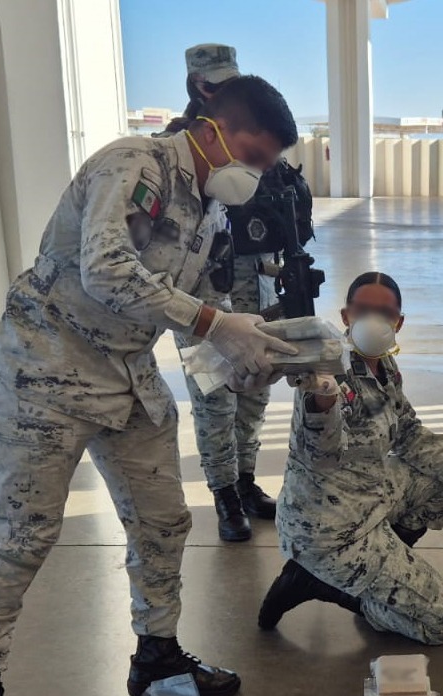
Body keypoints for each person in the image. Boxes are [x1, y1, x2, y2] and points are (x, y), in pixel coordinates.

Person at [0, 76, 302, 696]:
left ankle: (157, 654)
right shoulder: (132, 164)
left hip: (127, 370)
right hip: (50, 359)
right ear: (213, 129)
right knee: (21, 535)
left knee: (164, 520)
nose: (257, 176)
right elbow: (105, 268)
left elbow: (191, 308)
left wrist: (241, 355)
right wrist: (212, 325)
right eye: (254, 157)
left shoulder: (207, 212)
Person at [258, 272, 443, 646]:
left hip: (370, 496)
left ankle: (381, 567)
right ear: (346, 315)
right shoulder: (326, 372)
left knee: (442, 478)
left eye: (385, 312)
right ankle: (320, 582)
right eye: (363, 309)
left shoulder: (384, 367)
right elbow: (318, 454)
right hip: (329, 529)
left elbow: (408, 432)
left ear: (398, 322)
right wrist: (323, 401)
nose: (373, 319)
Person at [167, 44, 313, 543]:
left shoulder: (253, 140)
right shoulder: (179, 148)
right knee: (213, 395)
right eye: (213, 84)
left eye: (229, 80)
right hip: (202, 293)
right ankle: (224, 493)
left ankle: (246, 481)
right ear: (195, 86)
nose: (221, 90)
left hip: (261, 279)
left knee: (255, 388)